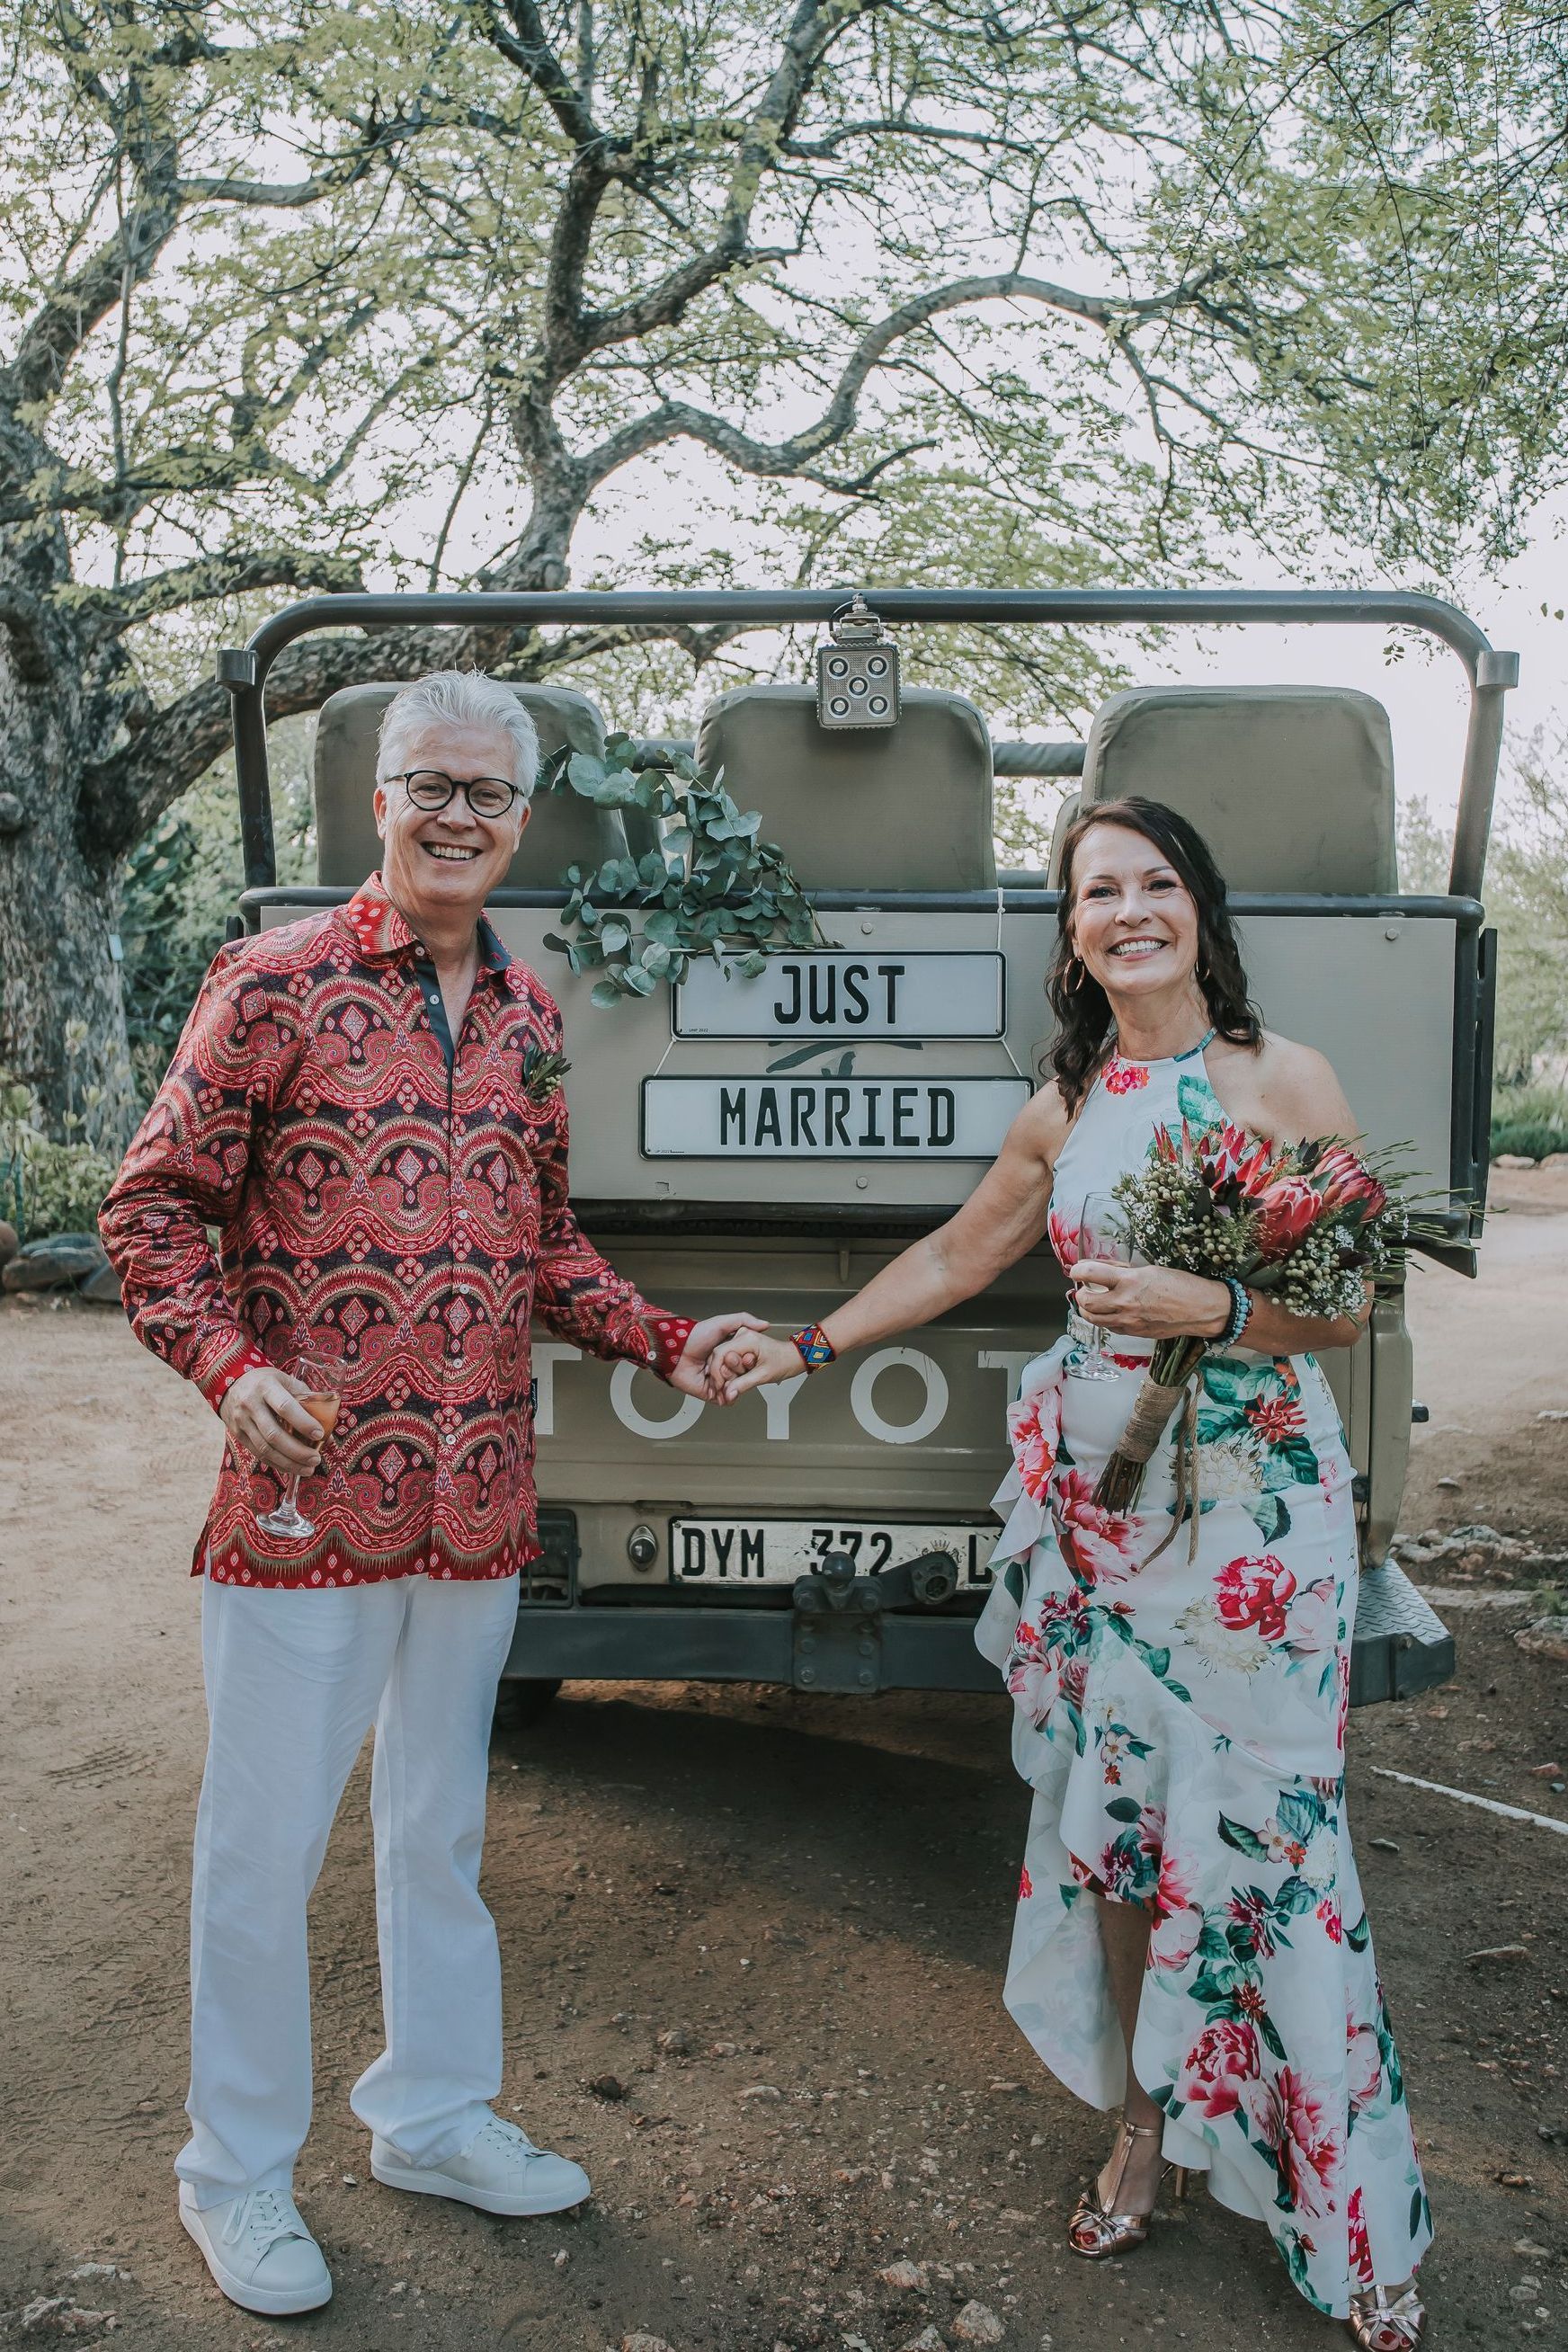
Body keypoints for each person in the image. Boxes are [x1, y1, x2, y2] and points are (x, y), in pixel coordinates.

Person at [708, 796, 1428, 2350]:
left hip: (1253, 1533)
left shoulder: (1283, 1079)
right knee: (1119, 1832)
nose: (1128, 911)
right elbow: (963, 1254)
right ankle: (1147, 2130)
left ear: (1200, 909)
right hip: (1105, 1529)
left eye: (1155, 882)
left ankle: (1346, 2210)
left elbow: (1351, 1301)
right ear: (1075, 930)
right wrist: (807, 1343)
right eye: (1098, 891)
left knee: (1269, 1840)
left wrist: (1211, 1304)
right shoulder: (1067, 1099)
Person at [99, 669, 760, 2319]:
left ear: (523, 819)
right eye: (429, 785)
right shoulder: (272, 983)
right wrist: (226, 1365)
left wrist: (665, 1341)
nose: (458, 815)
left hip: (476, 1496)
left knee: (439, 1832)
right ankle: (235, 2177)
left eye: (488, 792)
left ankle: (434, 2115)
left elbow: (539, 1242)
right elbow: (150, 1207)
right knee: (261, 1852)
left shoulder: (531, 1014)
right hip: (302, 1509)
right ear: (379, 802)